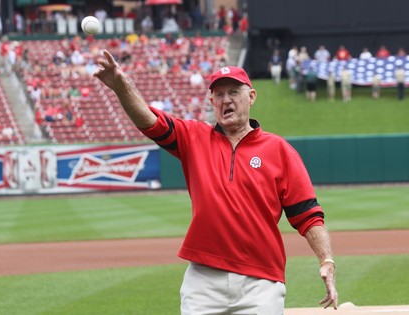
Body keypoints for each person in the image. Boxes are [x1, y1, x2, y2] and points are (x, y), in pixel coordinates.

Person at [94, 50, 338, 315]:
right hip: (203, 281)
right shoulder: (194, 138)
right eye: (219, 95)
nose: (226, 100)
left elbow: (308, 216)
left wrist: (326, 260)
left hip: (261, 282)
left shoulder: (279, 150)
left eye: (233, 92)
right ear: (211, 101)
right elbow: (150, 121)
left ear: (251, 96)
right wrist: (121, 87)